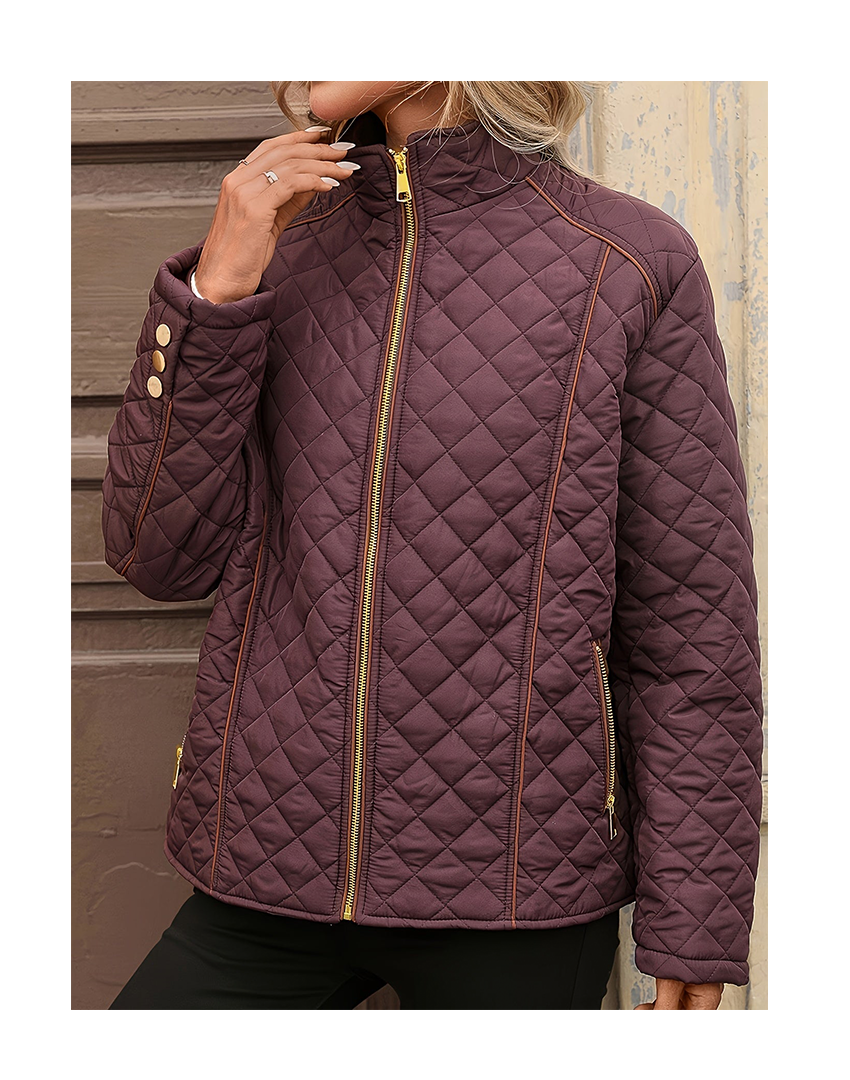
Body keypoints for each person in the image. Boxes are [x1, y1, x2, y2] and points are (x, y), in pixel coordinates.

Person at [102, 81, 764, 1010]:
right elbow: (156, 555)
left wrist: (696, 918)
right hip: (267, 860)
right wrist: (214, 293)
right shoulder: (279, 249)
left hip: (522, 885)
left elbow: (692, 626)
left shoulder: (626, 261)